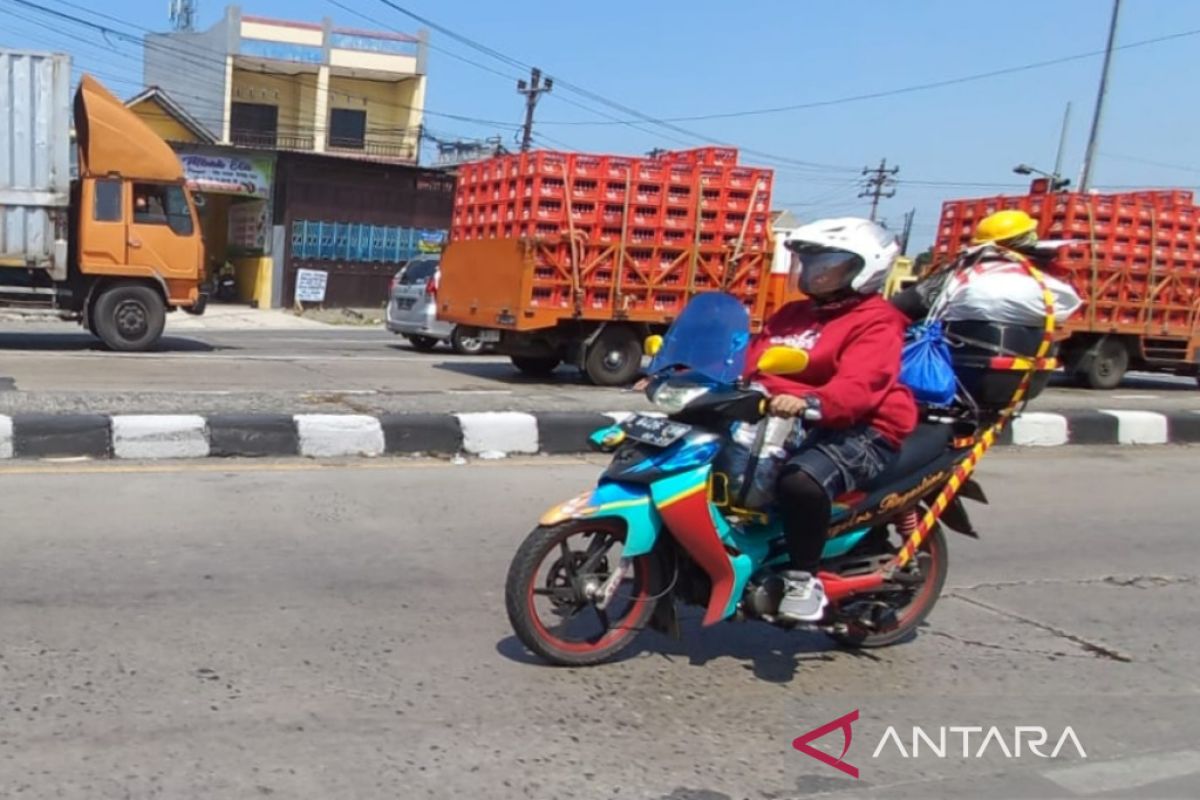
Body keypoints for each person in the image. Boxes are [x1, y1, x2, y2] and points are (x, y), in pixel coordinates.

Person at [743, 217, 917, 622]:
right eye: (809, 260)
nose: (814, 271)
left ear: (864, 268)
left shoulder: (877, 320)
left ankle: (803, 579)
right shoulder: (792, 313)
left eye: (829, 262)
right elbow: (754, 360)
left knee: (800, 480)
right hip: (793, 413)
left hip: (863, 426)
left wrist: (802, 399)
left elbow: (858, 389)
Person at [891, 209, 1042, 323]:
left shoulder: (966, 273)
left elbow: (903, 306)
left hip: (955, 353)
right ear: (1029, 237)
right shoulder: (1047, 279)